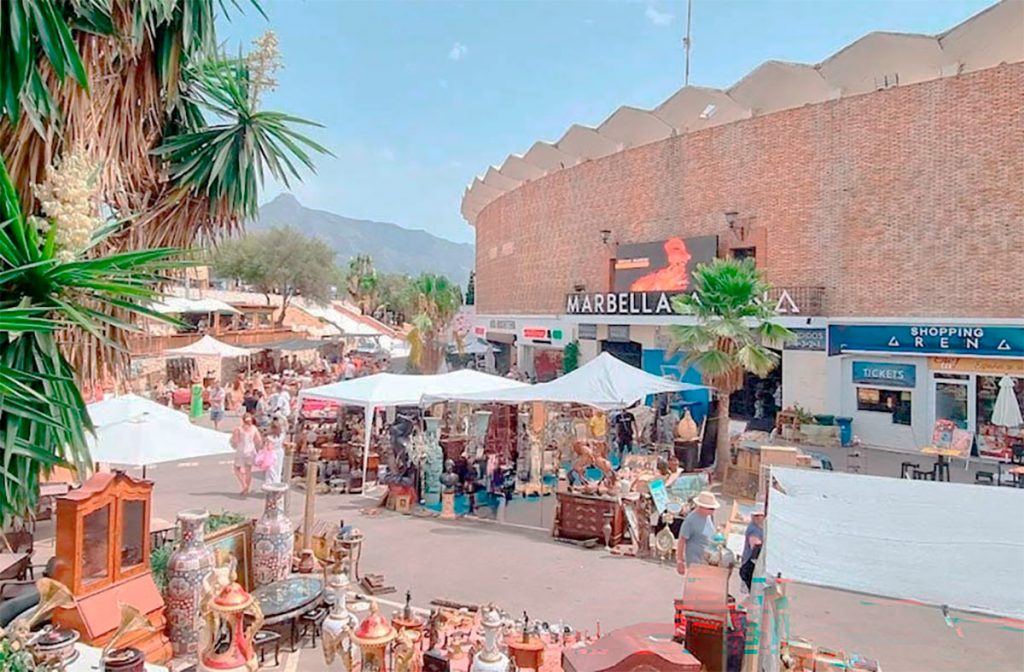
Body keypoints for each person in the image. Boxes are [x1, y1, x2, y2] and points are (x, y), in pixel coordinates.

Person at [677, 491, 720, 575]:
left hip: (707, 562)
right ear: (702, 507)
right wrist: (680, 561)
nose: (713, 511)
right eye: (711, 508)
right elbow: (682, 540)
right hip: (695, 563)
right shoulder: (690, 520)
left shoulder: (708, 517)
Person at [230, 413, 263, 494]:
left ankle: (244, 485)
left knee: (236, 468)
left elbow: (235, 442)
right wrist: (258, 449)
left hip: (241, 450)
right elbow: (259, 440)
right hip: (251, 451)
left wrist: (233, 444)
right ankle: (247, 488)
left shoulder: (239, 429)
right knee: (248, 470)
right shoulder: (254, 428)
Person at [739, 505, 766, 590]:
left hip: (754, 566)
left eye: (759, 515)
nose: (757, 518)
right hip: (751, 567)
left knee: (758, 593)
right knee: (756, 592)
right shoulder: (754, 529)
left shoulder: (761, 527)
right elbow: (756, 547)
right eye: (755, 515)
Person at [263, 419, 287, 485]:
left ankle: (270, 482)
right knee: (278, 468)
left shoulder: (269, 437)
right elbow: (283, 443)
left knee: (271, 469)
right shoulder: (282, 435)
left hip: (272, 453)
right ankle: (277, 481)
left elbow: (269, 447)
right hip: (280, 452)